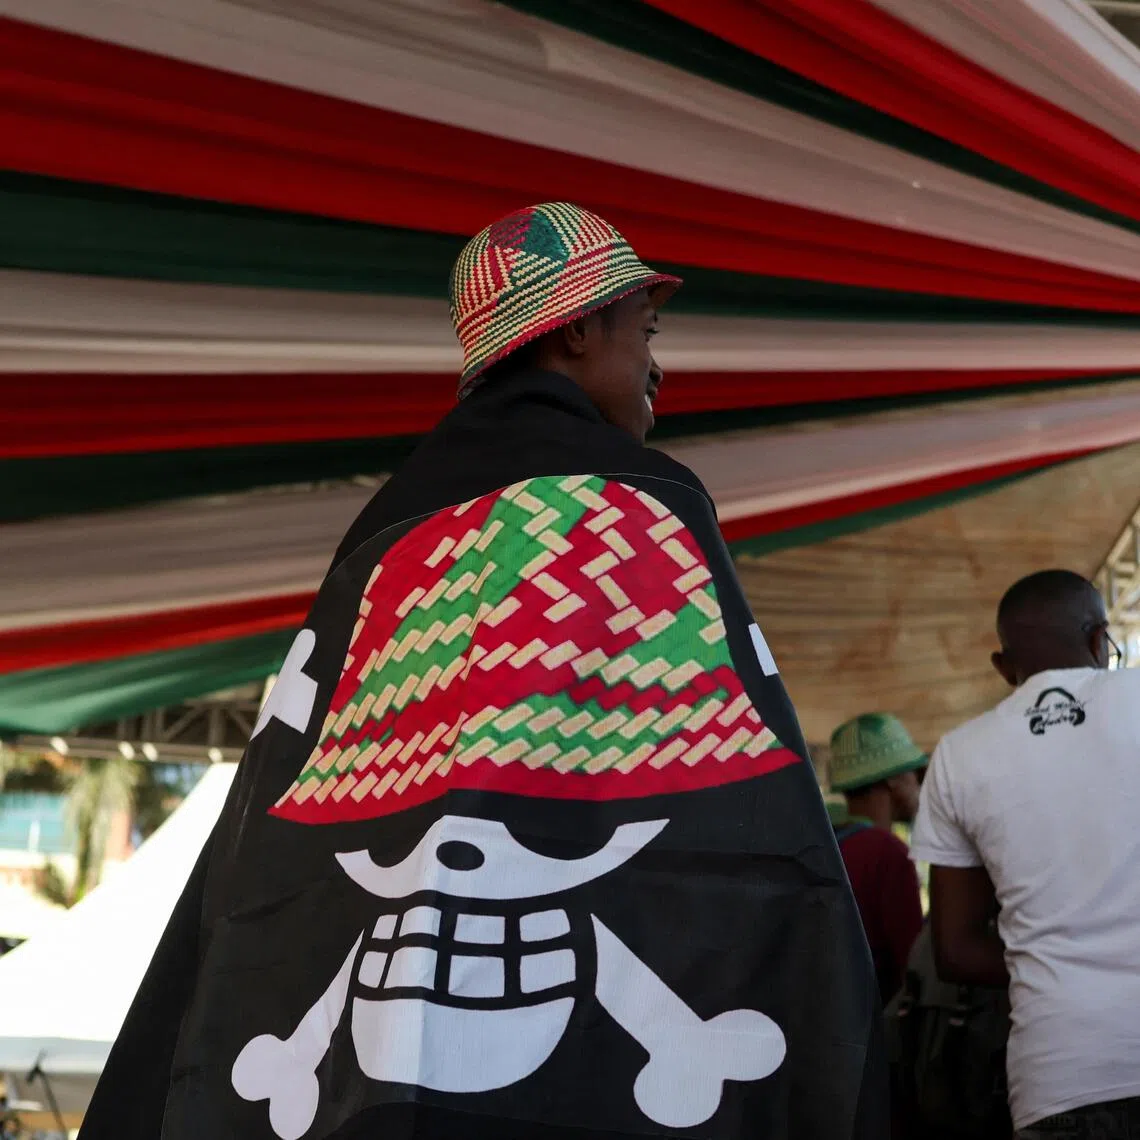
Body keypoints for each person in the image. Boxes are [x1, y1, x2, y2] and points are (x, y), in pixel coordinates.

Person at [79, 203, 885, 1140]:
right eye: (646, 332)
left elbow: (276, 839)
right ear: (577, 330)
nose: (656, 365)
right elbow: (745, 818)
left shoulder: (384, 528)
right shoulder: (643, 500)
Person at [911, 569, 1140, 1138]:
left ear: (1002, 665)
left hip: (1061, 1072)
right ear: (1099, 640)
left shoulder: (959, 755)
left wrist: (1048, 958)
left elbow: (955, 951)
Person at [829, 713, 926, 1005]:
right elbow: (912, 962)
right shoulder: (888, 852)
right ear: (894, 779)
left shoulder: (828, 843)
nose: (918, 786)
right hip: (873, 1015)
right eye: (915, 775)